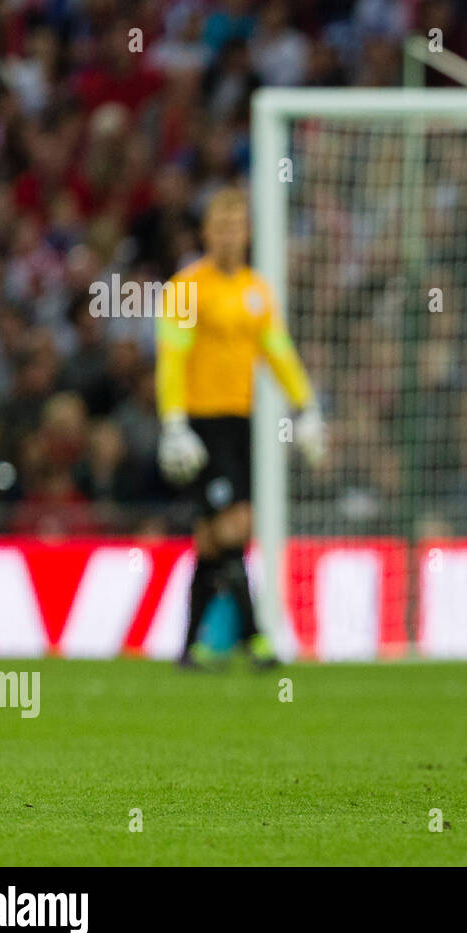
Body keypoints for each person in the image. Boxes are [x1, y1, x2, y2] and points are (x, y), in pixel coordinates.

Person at [155, 187, 326, 669]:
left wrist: (307, 406)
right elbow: (172, 359)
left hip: (241, 422)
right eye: (221, 226)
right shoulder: (187, 288)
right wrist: (173, 422)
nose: (230, 235)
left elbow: (279, 352)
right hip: (200, 424)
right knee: (235, 526)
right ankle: (255, 637)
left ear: (247, 233)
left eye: (237, 226)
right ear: (206, 232)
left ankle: (188, 649)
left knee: (212, 539)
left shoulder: (257, 291)